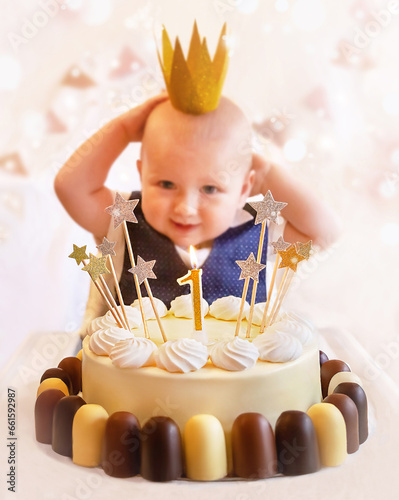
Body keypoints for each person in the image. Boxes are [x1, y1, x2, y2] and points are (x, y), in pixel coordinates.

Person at [54, 91, 340, 325]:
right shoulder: (124, 219)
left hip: (238, 391)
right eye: (166, 184)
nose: (186, 208)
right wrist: (124, 129)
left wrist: (265, 173)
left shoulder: (258, 230)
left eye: (210, 188)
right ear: (142, 175)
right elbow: (71, 187)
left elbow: (324, 233)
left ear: (243, 189)